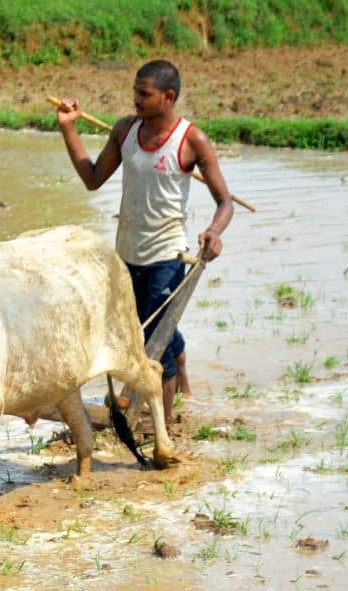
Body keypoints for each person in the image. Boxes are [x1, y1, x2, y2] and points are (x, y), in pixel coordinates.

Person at [56, 59, 233, 424]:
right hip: (127, 254)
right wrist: (68, 130)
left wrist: (214, 232)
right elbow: (92, 178)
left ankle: (162, 429)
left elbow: (225, 203)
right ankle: (180, 360)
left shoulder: (191, 140)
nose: (135, 99)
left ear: (167, 97)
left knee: (153, 348)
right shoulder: (125, 131)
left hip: (166, 255)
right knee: (144, 325)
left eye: (144, 94)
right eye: (135, 91)